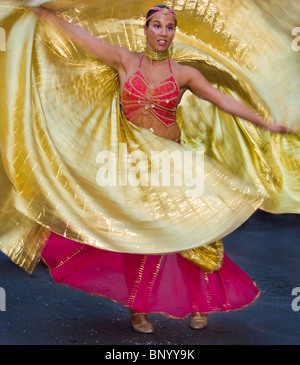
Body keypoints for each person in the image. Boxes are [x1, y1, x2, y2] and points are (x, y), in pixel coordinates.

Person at [2, 2, 293, 335]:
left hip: (172, 165)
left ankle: (200, 305)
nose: (163, 33)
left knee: (192, 236)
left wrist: (264, 123)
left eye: (170, 28)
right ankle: (137, 310)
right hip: (134, 167)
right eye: (157, 26)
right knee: (139, 236)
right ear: (146, 29)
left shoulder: (185, 73)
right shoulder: (125, 60)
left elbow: (221, 99)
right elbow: (82, 39)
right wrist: (47, 15)